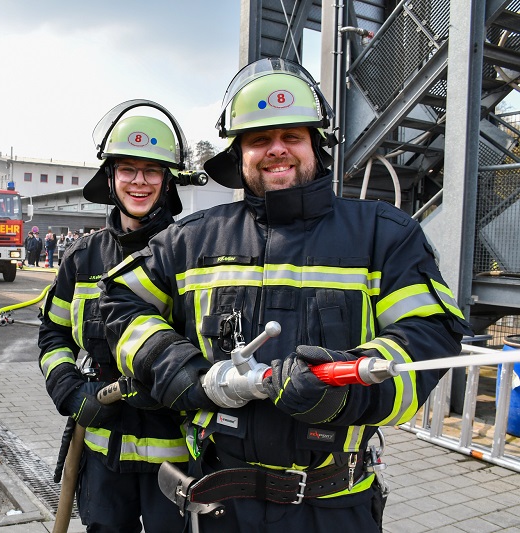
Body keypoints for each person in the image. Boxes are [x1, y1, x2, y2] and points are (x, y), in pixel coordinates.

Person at [101, 59, 472, 533]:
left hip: (335, 509)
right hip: (221, 508)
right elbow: (118, 305)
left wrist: (341, 393)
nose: (277, 150)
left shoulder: (384, 236)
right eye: (259, 139)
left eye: (292, 136)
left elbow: (429, 336)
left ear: (315, 145)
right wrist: (193, 377)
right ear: (239, 155)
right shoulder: (192, 241)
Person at [38, 99, 191, 533]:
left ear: (168, 180)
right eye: (127, 168)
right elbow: (53, 333)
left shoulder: (193, 254)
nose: (139, 181)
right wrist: (69, 389)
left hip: (177, 460)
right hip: (102, 453)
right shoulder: (82, 257)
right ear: (111, 177)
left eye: (152, 170)